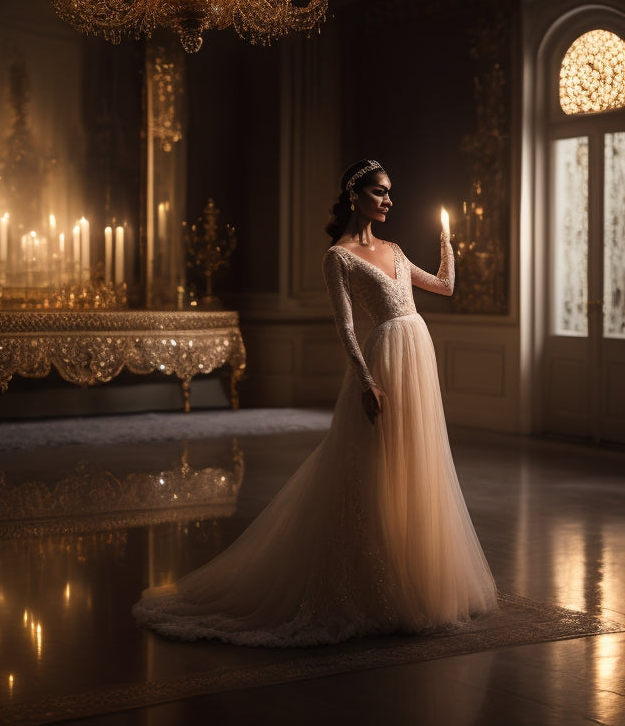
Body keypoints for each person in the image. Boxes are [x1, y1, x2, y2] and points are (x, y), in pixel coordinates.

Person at [132, 159, 498, 646]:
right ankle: (373, 584)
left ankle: (416, 576)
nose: (389, 200)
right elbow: (346, 326)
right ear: (355, 195)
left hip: (418, 355)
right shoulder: (339, 257)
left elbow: (445, 287)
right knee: (371, 467)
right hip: (385, 360)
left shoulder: (394, 248)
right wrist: (366, 382)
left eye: (391, 193)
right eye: (380, 192)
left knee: (418, 462)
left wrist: (447, 241)